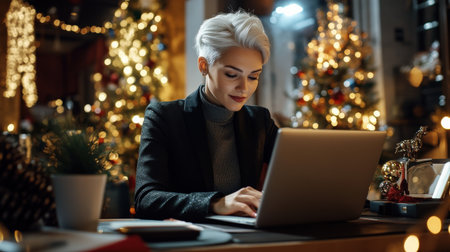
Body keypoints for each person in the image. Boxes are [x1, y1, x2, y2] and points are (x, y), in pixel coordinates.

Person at [134, 10, 279, 221]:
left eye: (253, 76)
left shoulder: (259, 121)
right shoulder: (165, 117)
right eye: (232, 74)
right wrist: (216, 203)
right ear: (204, 66)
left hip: (245, 238)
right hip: (189, 240)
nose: (244, 88)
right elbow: (146, 199)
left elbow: (299, 174)